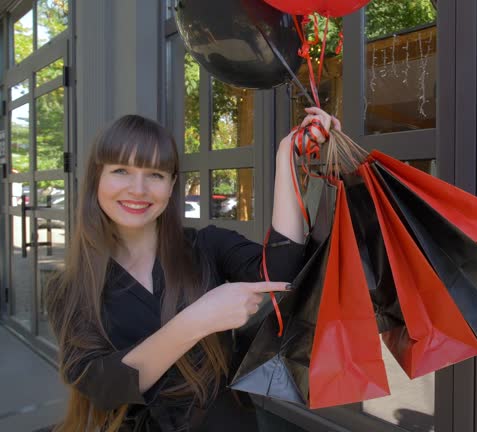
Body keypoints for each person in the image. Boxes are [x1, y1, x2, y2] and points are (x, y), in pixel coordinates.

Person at [45, 108, 339, 431]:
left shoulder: (206, 247)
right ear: (96, 178)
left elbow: (279, 272)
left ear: (171, 185)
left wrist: (287, 156)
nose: (138, 189)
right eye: (121, 171)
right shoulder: (69, 286)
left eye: (155, 174)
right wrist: (199, 319)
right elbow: (102, 387)